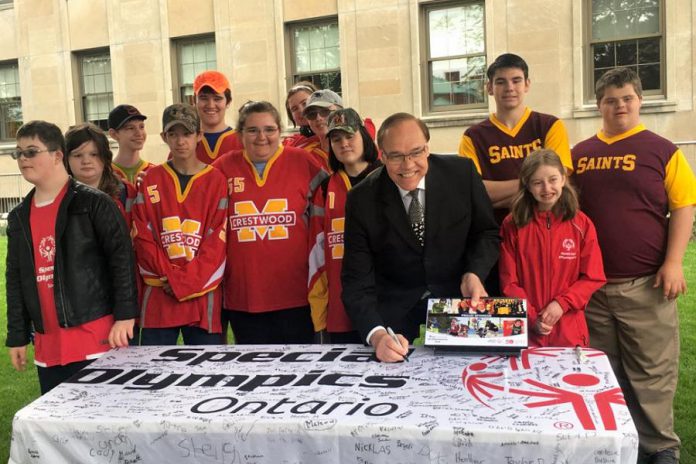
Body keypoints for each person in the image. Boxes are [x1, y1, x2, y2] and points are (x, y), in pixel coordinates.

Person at [572, 67, 696, 464]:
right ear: (599, 105)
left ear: (639, 100)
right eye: (610, 99)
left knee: (653, 370)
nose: (619, 105)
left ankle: (660, 446)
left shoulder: (662, 149)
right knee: (603, 370)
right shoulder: (580, 154)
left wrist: (674, 262)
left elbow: (683, 206)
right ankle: (617, 441)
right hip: (591, 286)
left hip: (645, 284)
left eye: (626, 97)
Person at [341, 112, 499, 362]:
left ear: (427, 148)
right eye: (396, 156)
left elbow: (486, 233)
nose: (408, 165)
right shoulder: (362, 199)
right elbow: (355, 280)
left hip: (459, 307)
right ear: (382, 155)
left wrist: (474, 273)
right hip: (396, 323)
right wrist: (377, 335)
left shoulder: (462, 174)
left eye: (416, 152)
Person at [6, 120, 137, 394]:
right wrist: (17, 336)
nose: (23, 159)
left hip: (95, 339)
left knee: (103, 428)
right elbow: (16, 280)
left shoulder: (93, 203)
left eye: (31, 151)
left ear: (57, 155)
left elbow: (121, 260)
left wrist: (125, 316)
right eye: (18, 152)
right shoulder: (19, 216)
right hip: (48, 345)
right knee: (60, 432)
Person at [213, 101, 328, 344]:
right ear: (240, 134)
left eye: (269, 129)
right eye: (252, 130)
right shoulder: (223, 167)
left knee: (300, 373)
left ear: (280, 131)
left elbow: (334, 200)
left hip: (295, 293)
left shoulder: (303, 162)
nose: (261, 137)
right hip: (245, 296)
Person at [131, 104, 227, 345]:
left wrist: (183, 283)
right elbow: (142, 237)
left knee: (207, 374)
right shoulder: (151, 178)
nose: (180, 141)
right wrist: (172, 279)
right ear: (164, 137)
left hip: (202, 293)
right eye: (173, 134)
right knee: (155, 374)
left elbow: (217, 242)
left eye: (187, 133)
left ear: (199, 136)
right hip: (160, 293)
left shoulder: (216, 180)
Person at [498, 149, 606, 347]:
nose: (547, 188)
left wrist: (561, 304)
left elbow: (593, 276)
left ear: (563, 179)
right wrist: (532, 318)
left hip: (568, 327)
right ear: (527, 185)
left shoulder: (581, 224)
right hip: (526, 329)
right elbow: (509, 282)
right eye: (538, 182)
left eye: (553, 179)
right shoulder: (513, 225)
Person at [307, 108, 381, 343]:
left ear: (364, 137)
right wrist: (320, 313)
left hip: (386, 304)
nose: (344, 144)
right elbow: (316, 255)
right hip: (341, 307)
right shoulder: (325, 187)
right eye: (336, 139)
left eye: (350, 136)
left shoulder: (388, 178)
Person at [64, 123, 137, 223]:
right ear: (66, 159)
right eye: (78, 155)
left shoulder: (126, 192)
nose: (86, 161)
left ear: (105, 156)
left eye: (94, 154)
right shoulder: (57, 197)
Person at [193, 70, 243, 163]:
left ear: (228, 102)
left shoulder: (242, 142)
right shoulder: (184, 145)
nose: (211, 105)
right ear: (194, 102)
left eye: (217, 99)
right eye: (204, 98)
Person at [108, 104, 153, 184]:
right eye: (130, 128)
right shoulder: (106, 175)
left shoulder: (154, 172)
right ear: (114, 134)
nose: (139, 133)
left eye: (141, 127)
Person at [283, 81, 319, 147]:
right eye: (294, 109)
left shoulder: (337, 138)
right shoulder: (289, 146)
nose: (301, 110)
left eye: (305, 103)